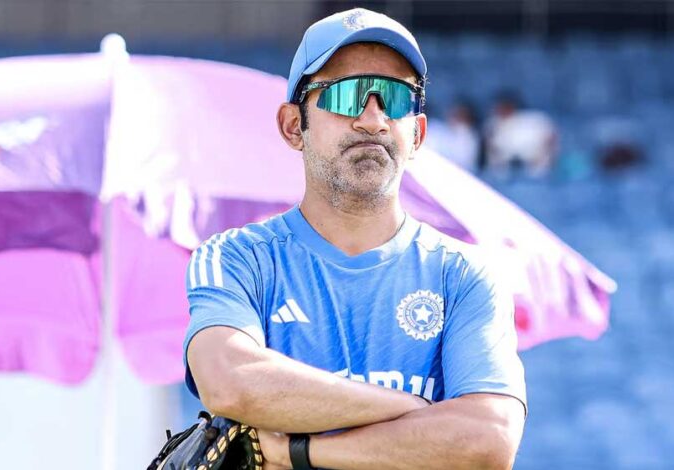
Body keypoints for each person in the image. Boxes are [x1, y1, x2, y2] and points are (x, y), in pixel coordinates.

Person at [183, 8, 527, 469]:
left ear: (418, 133)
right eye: (346, 95)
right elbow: (230, 382)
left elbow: (488, 440)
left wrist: (298, 451)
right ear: (293, 126)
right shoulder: (238, 258)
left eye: (395, 98)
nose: (373, 119)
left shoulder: (466, 274)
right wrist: (418, 413)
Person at [483, 91, 558, 178]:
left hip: (536, 168)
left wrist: (542, 158)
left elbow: (551, 138)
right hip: (503, 170)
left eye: (504, 107)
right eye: (498, 107)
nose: (500, 110)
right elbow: (491, 150)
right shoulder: (492, 125)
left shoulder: (536, 120)